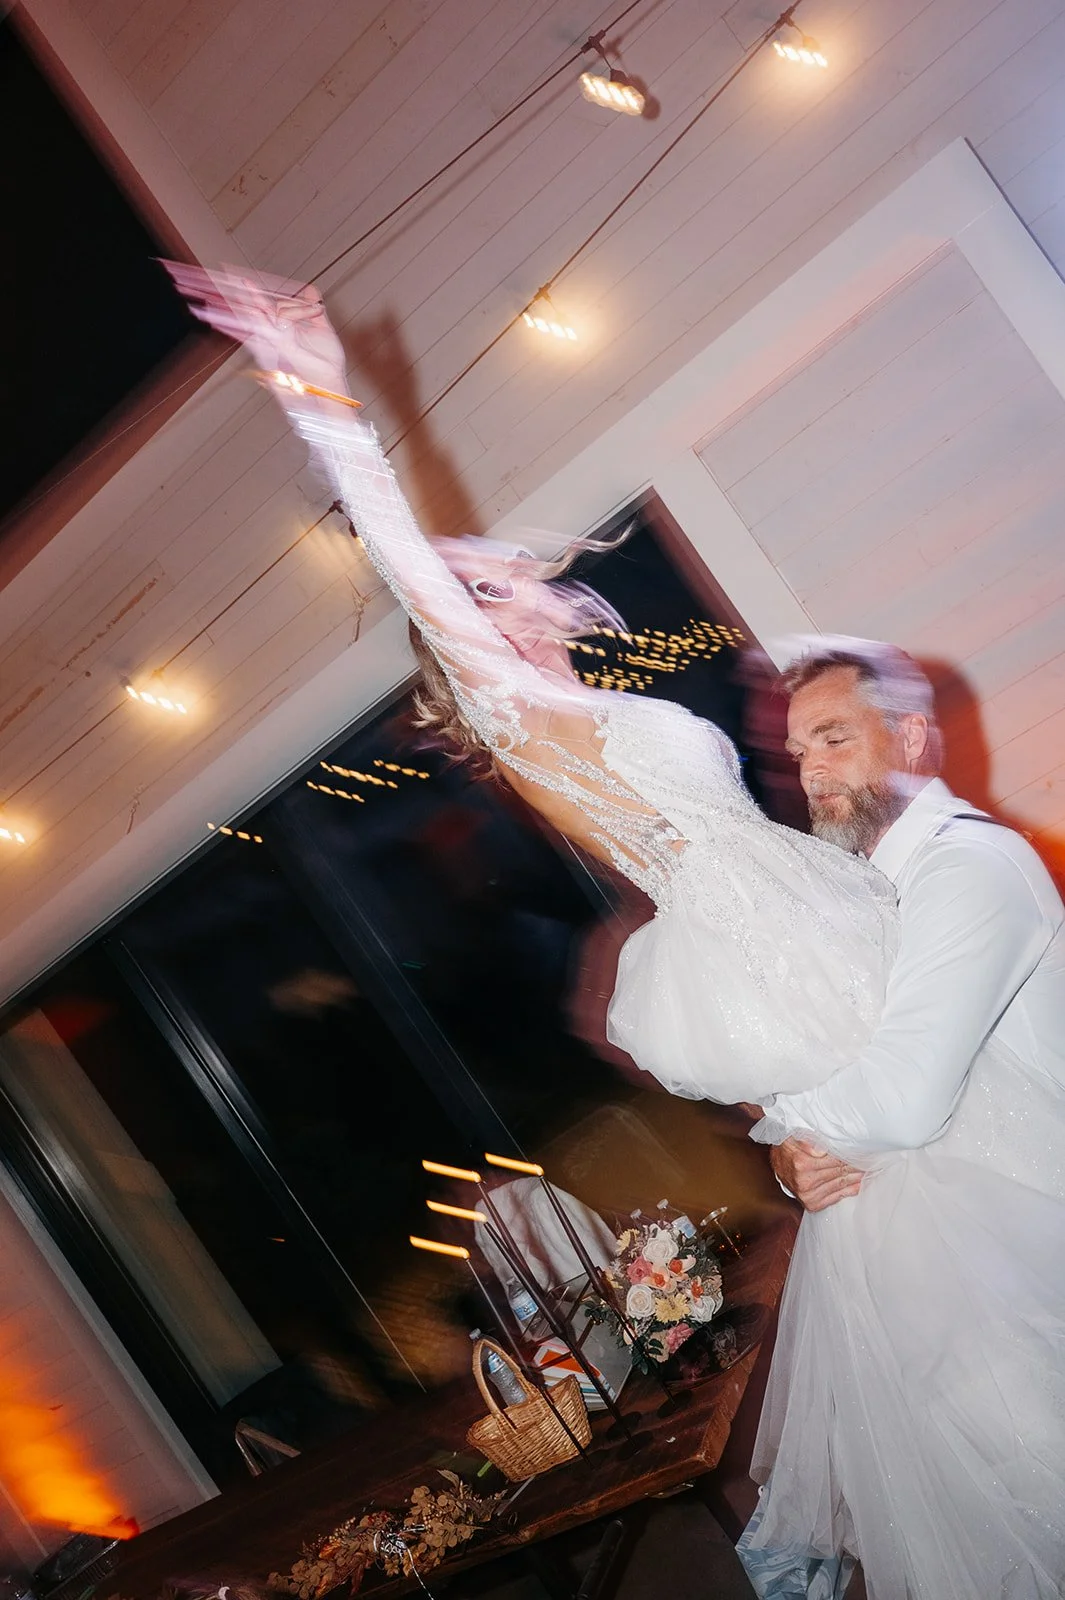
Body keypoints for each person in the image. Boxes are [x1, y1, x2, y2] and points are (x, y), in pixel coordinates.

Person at [165, 266, 1064, 1599]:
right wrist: (323, 399)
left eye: (503, 582)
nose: (518, 589)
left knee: (994, 1171)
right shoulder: (537, 724)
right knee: (977, 1256)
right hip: (788, 954)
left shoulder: (592, 710)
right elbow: (413, 570)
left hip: (810, 924)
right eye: (483, 596)